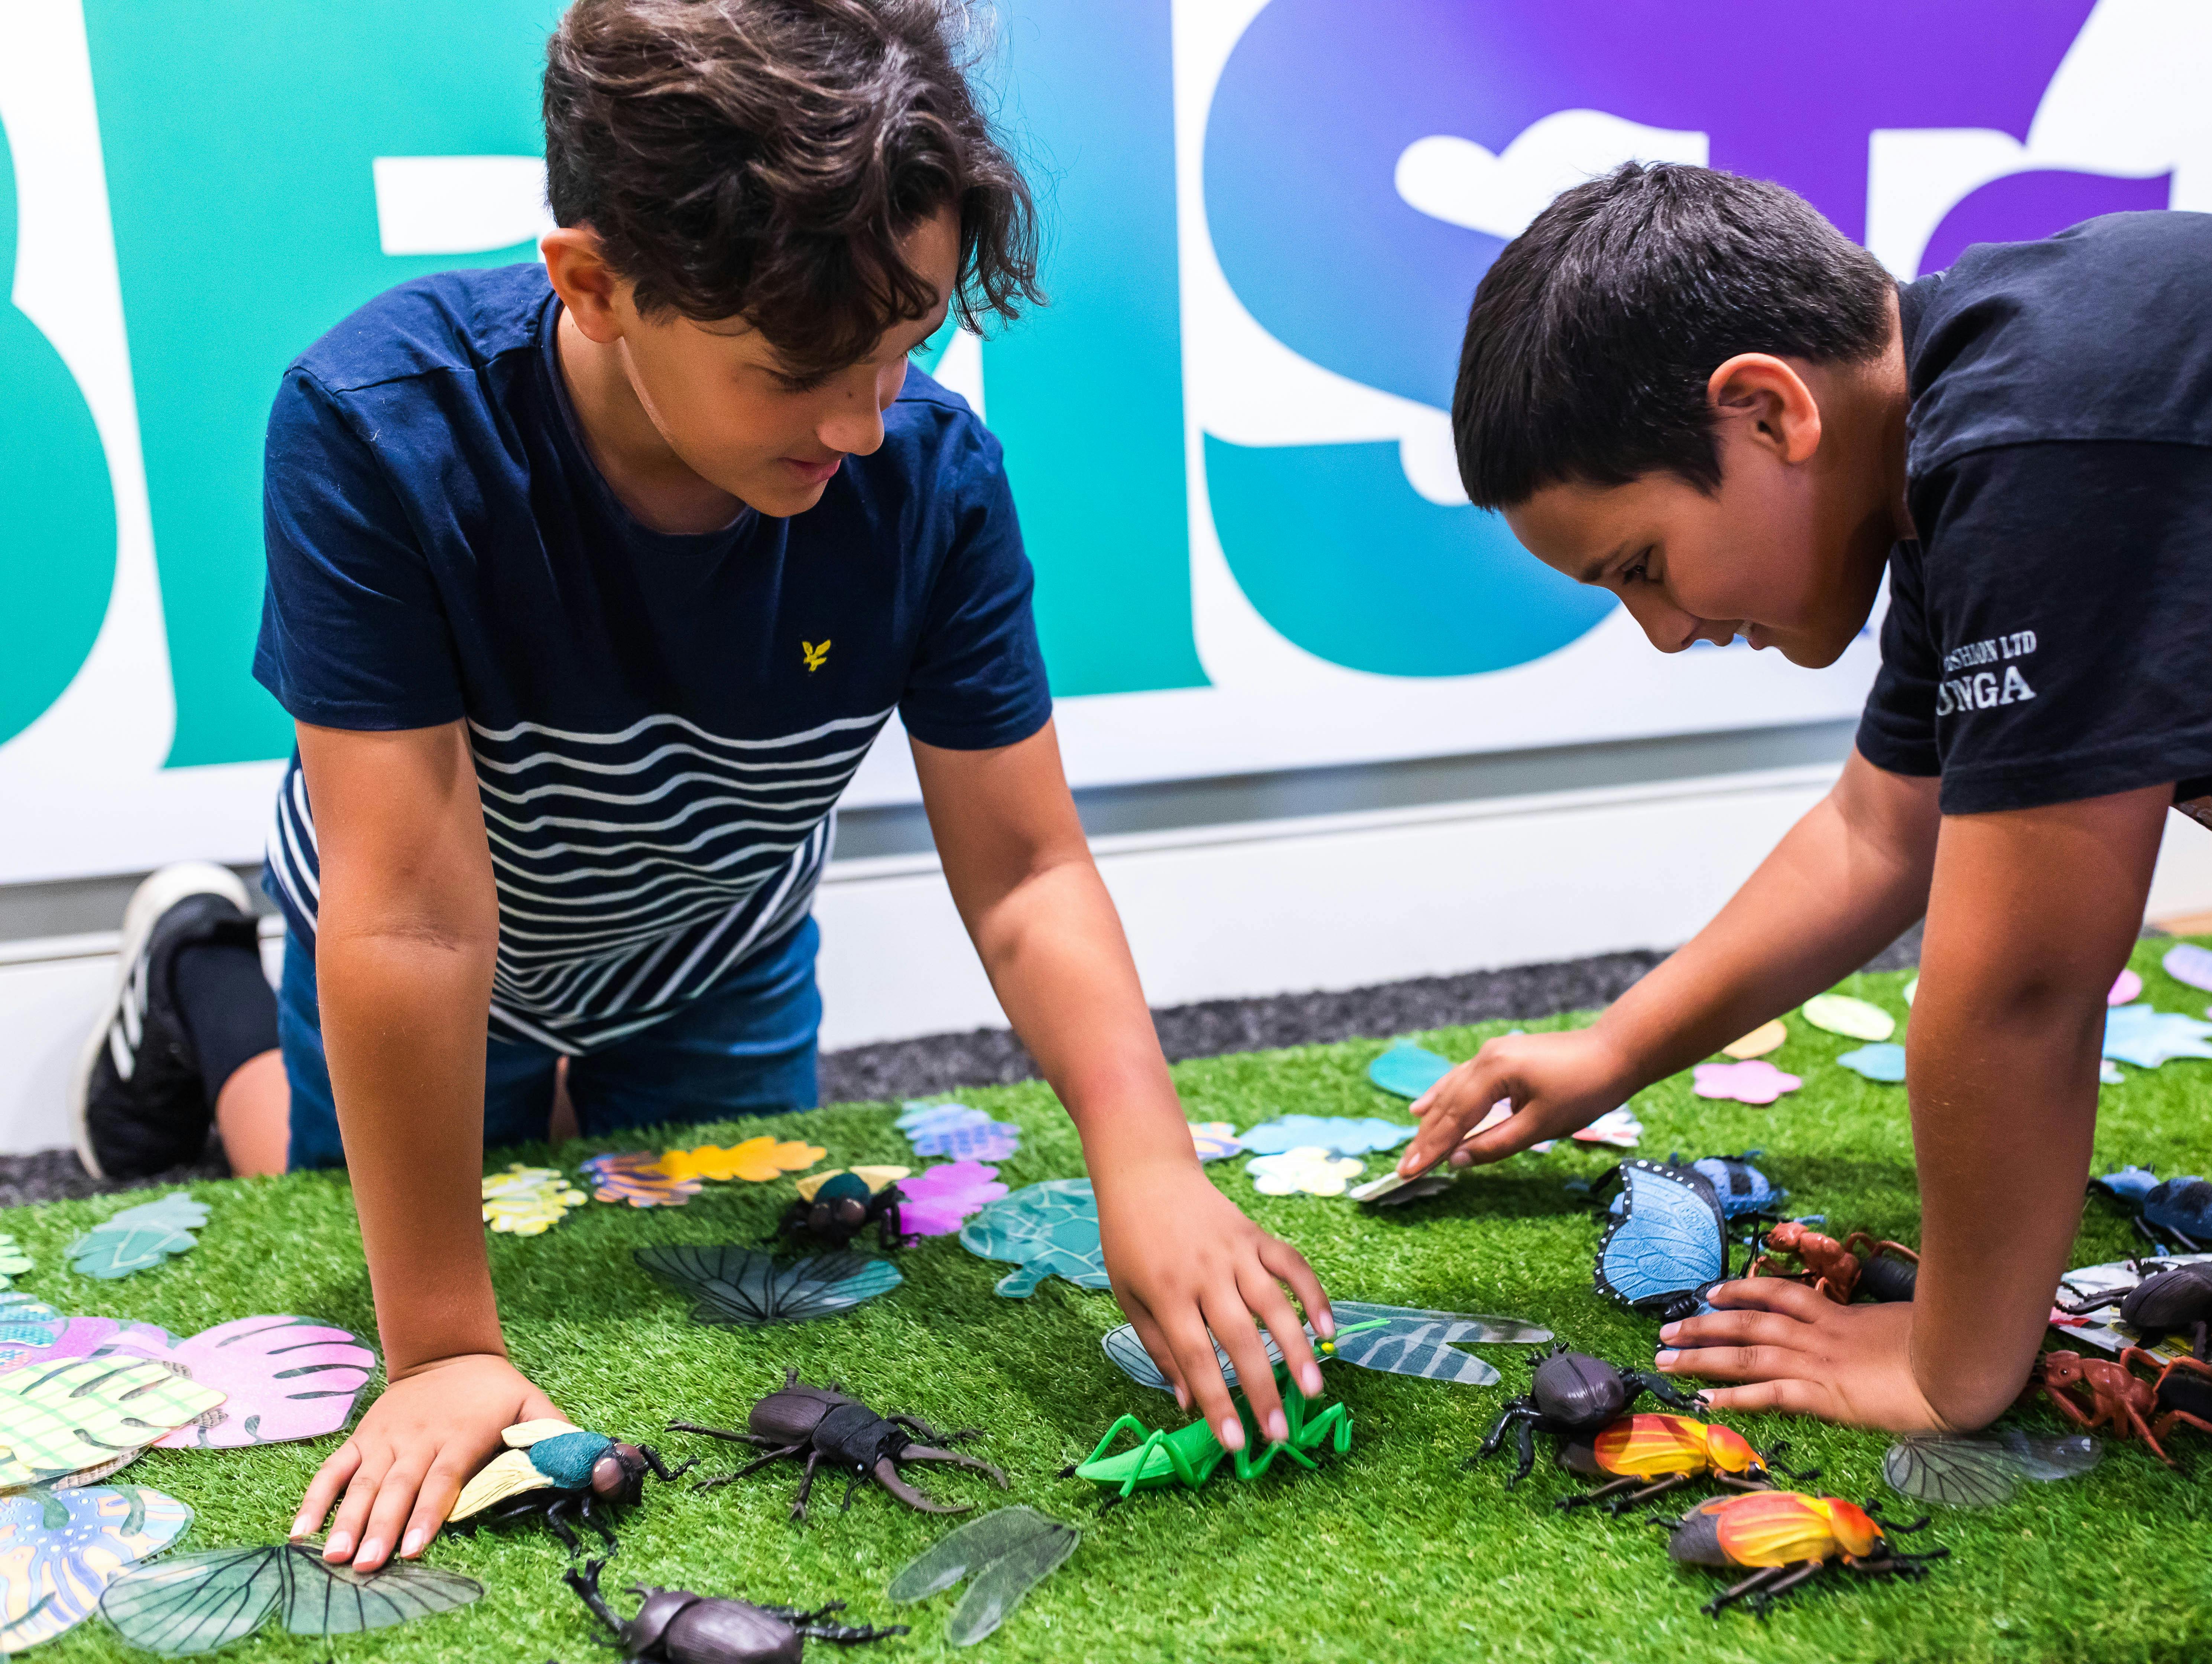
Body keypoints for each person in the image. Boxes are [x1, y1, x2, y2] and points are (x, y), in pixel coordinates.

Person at [73, 0, 1332, 1573]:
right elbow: (411, 924)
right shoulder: (377, 427)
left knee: (687, 1237)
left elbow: (1027, 873)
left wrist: (1145, 1159)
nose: (862, 423)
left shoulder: (930, 478)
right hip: (426, 933)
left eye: (907, 347)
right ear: (596, 285)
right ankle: (203, 984)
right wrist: (445, 1350)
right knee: (344, 1205)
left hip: (716, 948)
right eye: (800, 370)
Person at [1400, 165, 2212, 1530]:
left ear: (1767, 410)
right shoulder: (1974, 429)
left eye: (1644, 566)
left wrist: (1950, 1365)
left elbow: (2022, 990)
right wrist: (1614, 1050)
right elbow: (1877, 833)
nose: (1666, 631)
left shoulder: (2058, 442)